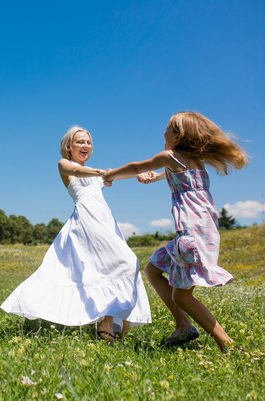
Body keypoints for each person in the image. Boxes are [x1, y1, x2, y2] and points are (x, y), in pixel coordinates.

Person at [103, 111, 248, 352]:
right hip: (204, 231)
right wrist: (156, 176)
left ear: (179, 136)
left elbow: (136, 166)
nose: (163, 132)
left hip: (189, 234)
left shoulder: (169, 156)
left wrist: (111, 175)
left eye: (168, 128)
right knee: (152, 270)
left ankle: (226, 342)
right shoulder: (194, 163)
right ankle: (183, 325)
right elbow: (174, 171)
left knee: (182, 296)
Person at [0, 126, 151, 344]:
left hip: (106, 222)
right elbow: (80, 172)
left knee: (123, 264)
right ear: (69, 146)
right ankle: (108, 322)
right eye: (80, 142)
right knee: (126, 262)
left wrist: (139, 173)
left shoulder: (96, 173)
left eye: (88, 142)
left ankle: (113, 318)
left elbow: (117, 174)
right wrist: (102, 173)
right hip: (87, 222)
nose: (85, 146)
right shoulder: (65, 165)